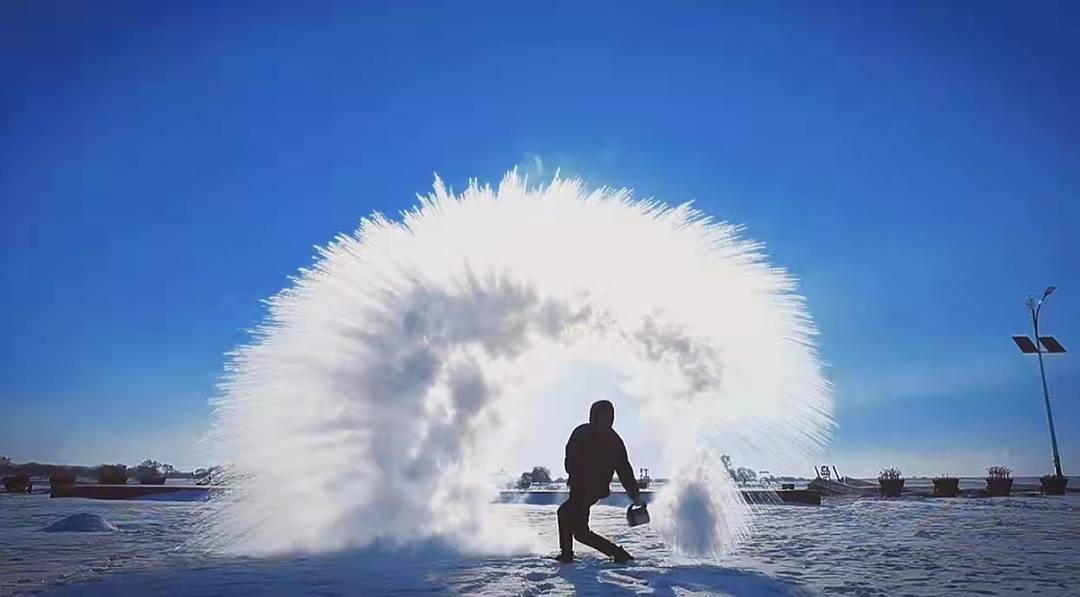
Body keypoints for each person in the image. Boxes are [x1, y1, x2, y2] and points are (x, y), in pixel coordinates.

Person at [555, 399, 641, 563]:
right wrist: (572, 470)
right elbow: (569, 456)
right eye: (602, 417)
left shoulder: (614, 441)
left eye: (608, 417)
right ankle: (616, 554)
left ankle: (569, 555)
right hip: (577, 486)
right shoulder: (581, 432)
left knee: (567, 516)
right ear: (593, 416)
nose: (605, 421)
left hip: (593, 489)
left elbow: (624, 470)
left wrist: (634, 494)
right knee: (578, 529)